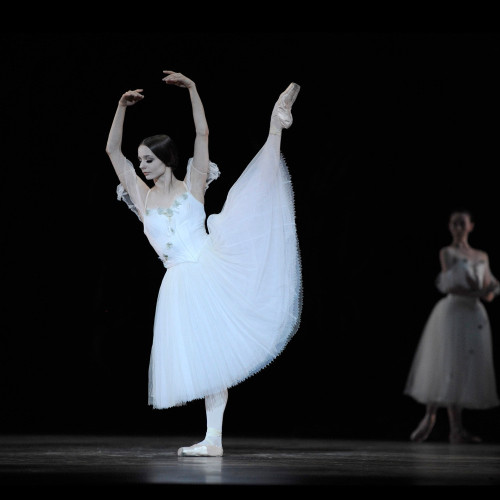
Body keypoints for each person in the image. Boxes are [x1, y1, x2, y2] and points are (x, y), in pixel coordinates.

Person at [105, 70, 302, 456]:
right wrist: (119, 109)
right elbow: (113, 153)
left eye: (148, 159)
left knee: (216, 357)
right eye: (141, 160)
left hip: (212, 267)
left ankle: (275, 128)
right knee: (206, 361)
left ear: (164, 159)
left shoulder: (193, 182)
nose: (142, 165)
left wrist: (193, 89)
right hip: (179, 283)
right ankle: (213, 439)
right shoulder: (142, 199)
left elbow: (203, 135)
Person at [404, 209, 500, 443]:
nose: (458, 228)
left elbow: (489, 288)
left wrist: (488, 291)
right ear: (450, 227)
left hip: (474, 314)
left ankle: (456, 429)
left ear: (471, 226)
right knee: (445, 362)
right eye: (454, 224)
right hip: (453, 312)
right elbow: (449, 285)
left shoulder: (481, 255)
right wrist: (480, 291)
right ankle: (430, 416)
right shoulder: (447, 252)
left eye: (462, 223)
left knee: (463, 366)